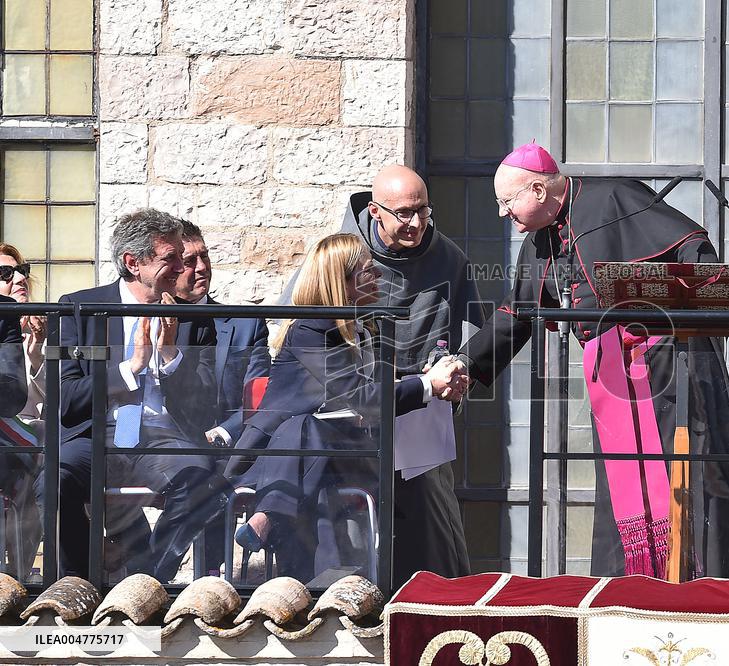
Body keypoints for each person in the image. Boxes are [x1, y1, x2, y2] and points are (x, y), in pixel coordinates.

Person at [461, 143, 729, 581]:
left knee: (690, 482)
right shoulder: (539, 243)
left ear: (538, 191)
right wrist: (466, 364)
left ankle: (701, 584)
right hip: (615, 383)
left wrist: (702, 290)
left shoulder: (615, 198)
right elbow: (516, 313)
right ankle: (634, 586)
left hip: (670, 368)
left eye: (507, 201)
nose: (502, 212)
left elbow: (691, 246)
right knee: (624, 490)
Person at [280, 164, 485, 587]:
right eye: (404, 213)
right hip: (351, 424)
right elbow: (299, 328)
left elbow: (470, 336)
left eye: (423, 211)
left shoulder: (448, 258)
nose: (417, 223)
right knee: (354, 528)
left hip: (419, 414)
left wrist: (454, 370)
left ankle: (437, 602)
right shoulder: (341, 256)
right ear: (375, 212)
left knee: (430, 513)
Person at [228, 233, 468, 581]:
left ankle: (270, 520)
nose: (379, 276)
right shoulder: (311, 329)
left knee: (312, 432)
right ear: (343, 282)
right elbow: (362, 397)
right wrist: (427, 385)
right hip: (283, 456)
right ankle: (318, 575)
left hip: (344, 454)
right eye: (369, 270)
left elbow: (376, 387)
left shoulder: (366, 328)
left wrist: (428, 377)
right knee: (305, 427)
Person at [55, 208, 228, 582]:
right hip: (95, 434)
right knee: (57, 475)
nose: (181, 268)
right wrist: (129, 369)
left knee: (202, 483)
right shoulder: (80, 309)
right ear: (133, 263)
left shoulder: (192, 318)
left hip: (160, 439)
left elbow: (204, 407)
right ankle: (73, 584)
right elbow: (66, 399)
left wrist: (170, 356)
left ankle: (148, 579)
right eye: (171, 258)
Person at [174, 221, 270, 447]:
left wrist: (223, 433)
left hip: (222, 448)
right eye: (189, 261)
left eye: (204, 256)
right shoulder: (147, 322)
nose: (202, 267)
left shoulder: (246, 324)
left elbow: (260, 395)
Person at [0, 246, 46, 577]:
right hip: (13, 434)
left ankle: (21, 571)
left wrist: (38, 355)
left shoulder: (47, 323)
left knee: (45, 442)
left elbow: (59, 401)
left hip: (31, 428)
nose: (18, 278)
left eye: (22, 270)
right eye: (5, 273)